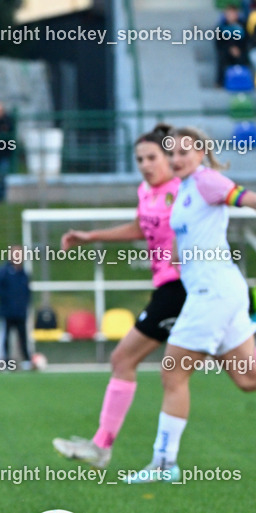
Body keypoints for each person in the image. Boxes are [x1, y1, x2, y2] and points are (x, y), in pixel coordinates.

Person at [121, 126, 256, 483]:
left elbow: (247, 199)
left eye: (185, 152)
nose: (177, 159)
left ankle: (164, 463)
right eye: (173, 153)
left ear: (200, 153)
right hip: (219, 291)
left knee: (172, 372)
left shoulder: (207, 180)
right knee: (247, 378)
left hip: (213, 293)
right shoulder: (184, 190)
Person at [54, 124, 185, 468]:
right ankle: (105, 447)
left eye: (152, 157)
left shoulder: (185, 188)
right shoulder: (147, 191)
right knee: (243, 373)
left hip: (184, 289)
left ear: (170, 158)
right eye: (139, 158)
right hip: (171, 289)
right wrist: (91, 236)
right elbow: (140, 228)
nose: (144, 164)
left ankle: (102, 448)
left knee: (125, 360)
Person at [0, 245, 32, 370]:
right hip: (7, 311)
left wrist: (24, 304)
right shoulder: (4, 271)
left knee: (23, 337)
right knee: (6, 338)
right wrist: (7, 300)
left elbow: (27, 291)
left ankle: (26, 361)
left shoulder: (23, 273)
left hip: (20, 312)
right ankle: (5, 362)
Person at [216, 4, 250, 86]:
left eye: (232, 13)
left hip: (241, 51)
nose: (230, 16)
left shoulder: (243, 26)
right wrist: (230, 48)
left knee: (243, 58)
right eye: (228, 14)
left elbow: (247, 40)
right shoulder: (221, 27)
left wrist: (238, 49)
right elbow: (219, 43)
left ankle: (244, 84)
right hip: (226, 51)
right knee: (222, 59)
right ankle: (220, 83)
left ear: (236, 14)